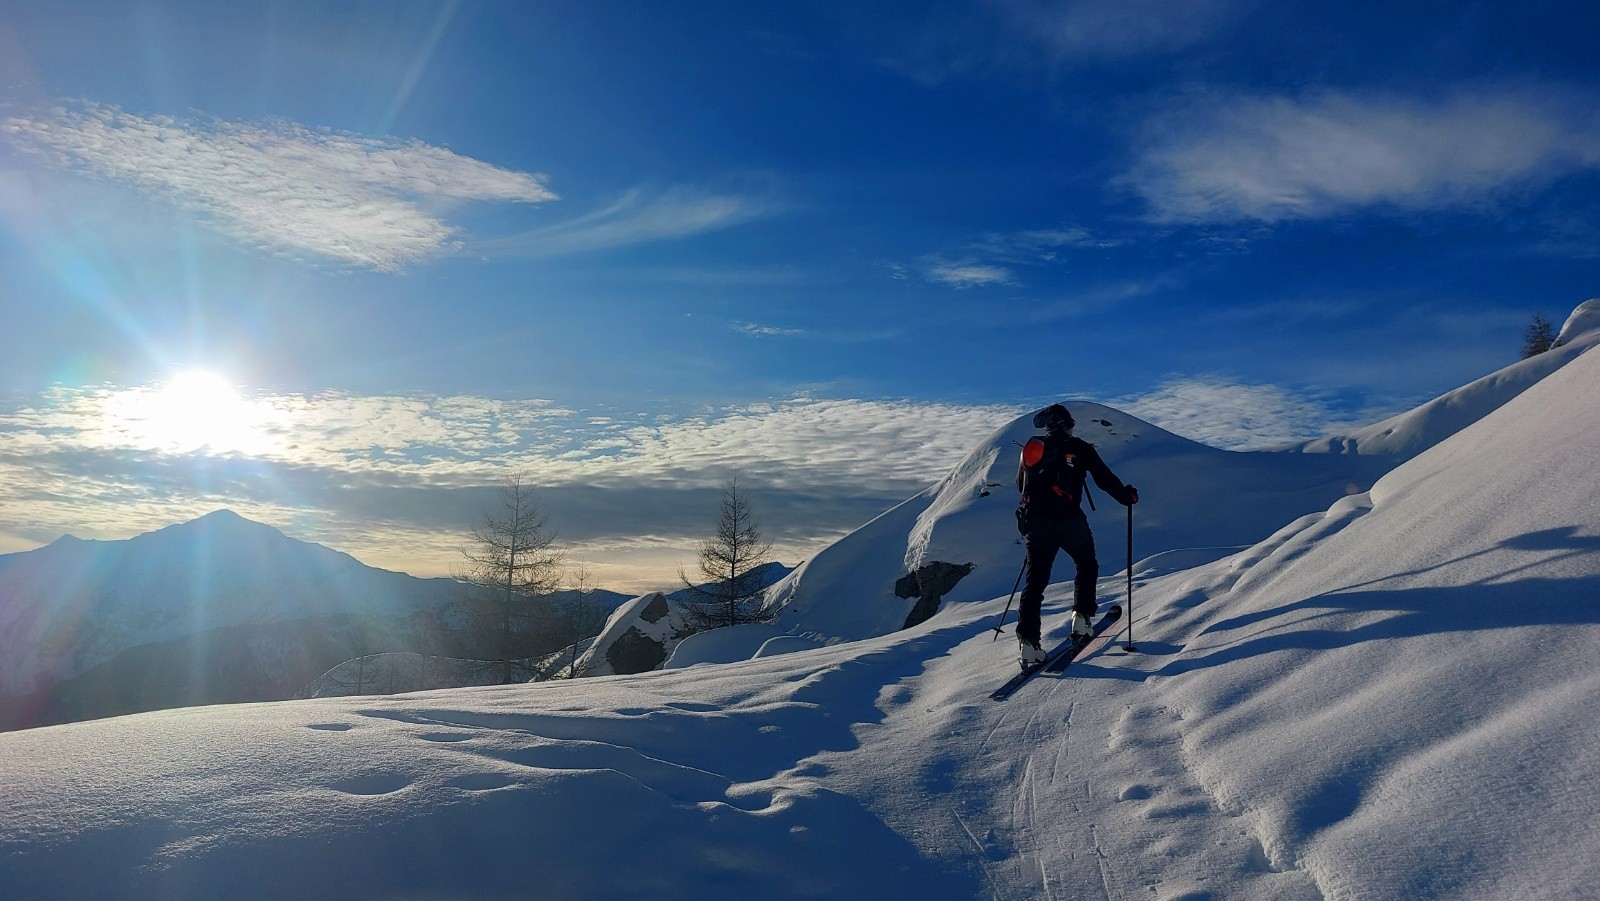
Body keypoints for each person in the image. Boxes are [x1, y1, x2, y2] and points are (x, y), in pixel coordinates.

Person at [1014, 403, 1138, 669]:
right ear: (1066, 424)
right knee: (1086, 563)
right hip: (1069, 520)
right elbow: (1104, 479)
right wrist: (1126, 497)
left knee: (1035, 583)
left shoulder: (1033, 449)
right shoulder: (1080, 448)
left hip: (1036, 523)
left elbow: (1019, 484)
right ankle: (1081, 620)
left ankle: (1028, 646)